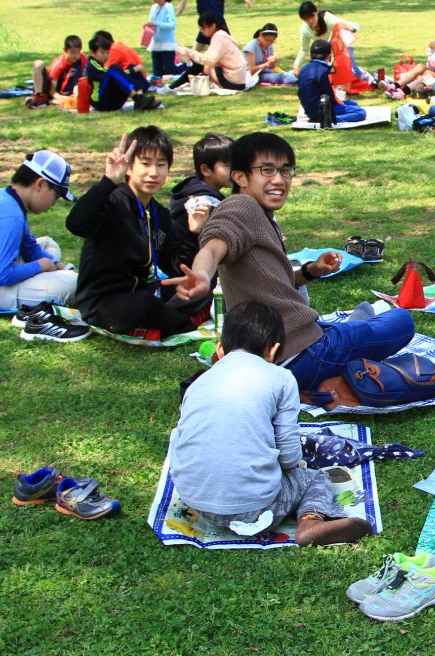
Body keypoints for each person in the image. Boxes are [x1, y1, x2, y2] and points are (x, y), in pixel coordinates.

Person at [163, 132, 415, 395]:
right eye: (267, 170)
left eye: (285, 171)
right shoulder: (240, 207)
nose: (279, 179)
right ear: (240, 177)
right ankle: (343, 357)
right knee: (401, 320)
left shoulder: (260, 214)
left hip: (283, 348)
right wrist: (202, 274)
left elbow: (273, 283)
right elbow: (215, 243)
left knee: (356, 324)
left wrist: (311, 271)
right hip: (300, 355)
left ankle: (354, 331)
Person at [168, 301, 371, 546]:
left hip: (195, 500)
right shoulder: (280, 377)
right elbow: (287, 455)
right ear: (273, 351)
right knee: (314, 479)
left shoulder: (200, 381)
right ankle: (311, 522)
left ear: (220, 350)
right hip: (253, 508)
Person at [66, 128, 211, 338]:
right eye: (145, 163)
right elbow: (76, 224)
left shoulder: (158, 213)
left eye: (161, 164)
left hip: (147, 291)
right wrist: (108, 181)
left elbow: (177, 268)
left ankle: (160, 322)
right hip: (104, 302)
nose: (153, 172)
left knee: (203, 286)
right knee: (144, 305)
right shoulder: (112, 200)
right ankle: (185, 323)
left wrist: (193, 232)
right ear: (128, 168)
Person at [0, 150, 79, 313]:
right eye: (56, 196)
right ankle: (45, 281)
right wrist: (42, 265)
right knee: (74, 285)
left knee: (48, 243)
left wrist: (61, 266)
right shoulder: (10, 215)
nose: (53, 203)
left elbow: (29, 247)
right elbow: (3, 275)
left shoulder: (7, 196)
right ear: (40, 184)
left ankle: (46, 278)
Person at [170, 133, 234, 253]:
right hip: (191, 265)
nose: (235, 170)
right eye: (229, 165)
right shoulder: (205, 203)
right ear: (206, 170)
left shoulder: (191, 188)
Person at [168, 14, 253, 92]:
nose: (201, 31)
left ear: (213, 26)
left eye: (203, 28)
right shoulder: (222, 36)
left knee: (199, 64)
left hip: (233, 82)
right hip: (238, 81)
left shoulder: (219, 38)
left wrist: (188, 51)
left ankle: (172, 87)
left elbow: (207, 60)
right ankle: (174, 86)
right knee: (200, 63)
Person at [293, 1, 369, 80]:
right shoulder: (304, 29)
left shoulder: (327, 18)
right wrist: (297, 64)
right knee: (326, 75)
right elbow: (304, 49)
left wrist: (350, 28)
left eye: (312, 17)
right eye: (306, 19)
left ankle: (372, 80)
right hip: (326, 53)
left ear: (317, 11)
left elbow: (344, 25)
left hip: (341, 47)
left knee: (353, 72)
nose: (310, 21)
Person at [297, 40, 366, 125]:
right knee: (360, 112)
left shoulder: (304, 69)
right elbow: (330, 97)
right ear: (329, 56)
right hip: (323, 109)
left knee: (352, 103)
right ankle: (331, 119)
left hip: (308, 108)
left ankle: (325, 117)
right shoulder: (325, 71)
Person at [85, 34, 158, 112]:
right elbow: (110, 73)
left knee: (132, 67)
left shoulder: (102, 64)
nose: (106, 56)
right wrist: (133, 70)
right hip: (101, 102)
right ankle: (138, 99)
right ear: (92, 52)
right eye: (102, 53)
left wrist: (133, 69)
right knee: (115, 68)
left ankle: (140, 100)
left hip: (115, 101)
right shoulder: (92, 64)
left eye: (107, 53)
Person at [398, 21, 435, 90]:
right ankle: (396, 85)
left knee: (427, 73)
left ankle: (404, 91)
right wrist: (433, 51)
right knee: (420, 66)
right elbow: (431, 68)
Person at [30, 35, 87, 107]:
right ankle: (40, 97)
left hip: (69, 91)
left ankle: (52, 101)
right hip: (51, 90)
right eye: (72, 53)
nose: (75, 55)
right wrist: (62, 98)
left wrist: (77, 92)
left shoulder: (82, 58)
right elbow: (52, 91)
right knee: (38, 63)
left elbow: (83, 77)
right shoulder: (59, 64)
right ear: (65, 50)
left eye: (78, 52)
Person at [146, 0, 184, 78]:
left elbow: (172, 25)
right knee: (157, 73)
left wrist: (156, 23)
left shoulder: (168, 7)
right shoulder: (153, 8)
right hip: (156, 44)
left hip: (167, 45)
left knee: (170, 71)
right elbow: (152, 22)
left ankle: (187, 67)